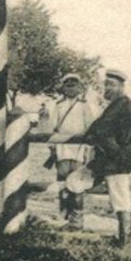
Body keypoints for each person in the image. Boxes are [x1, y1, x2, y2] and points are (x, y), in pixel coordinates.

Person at [85, 68, 131, 246]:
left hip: (116, 159)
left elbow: (102, 131)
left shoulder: (124, 105)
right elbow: (96, 129)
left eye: (112, 85)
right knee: (75, 182)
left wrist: (113, 152)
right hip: (110, 158)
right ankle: (123, 239)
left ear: (121, 87)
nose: (107, 88)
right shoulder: (115, 105)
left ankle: (124, 241)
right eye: (106, 84)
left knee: (121, 199)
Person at [48, 73, 99, 229]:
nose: (71, 89)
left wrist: (88, 149)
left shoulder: (84, 106)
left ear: (79, 88)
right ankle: (64, 213)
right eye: (68, 86)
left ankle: (77, 216)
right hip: (62, 149)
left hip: (79, 150)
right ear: (63, 88)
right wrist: (53, 148)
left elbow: (90, 127)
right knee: (63, 182)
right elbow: (52, 127)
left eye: (74, 86)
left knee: (77, 182)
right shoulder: (58, 105)